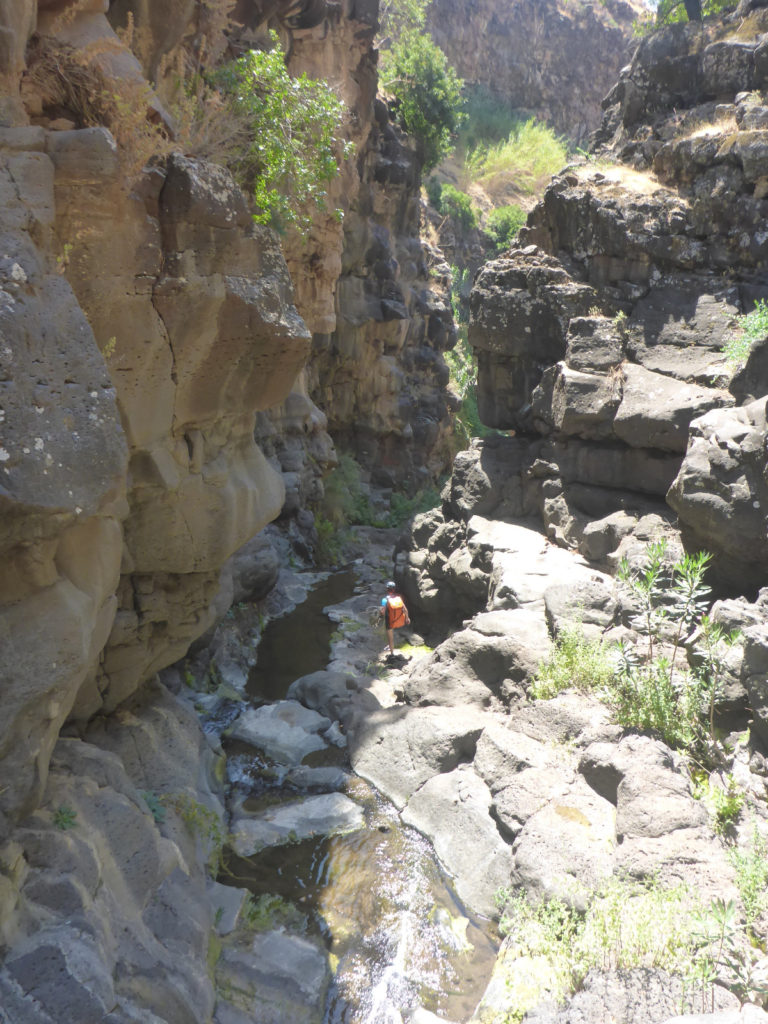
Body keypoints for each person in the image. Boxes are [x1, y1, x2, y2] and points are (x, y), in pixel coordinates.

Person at [380, 580, 410, 657]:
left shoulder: (384, 600)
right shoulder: (398, 598)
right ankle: (390, 646)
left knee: (390, 637)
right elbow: (405, 609)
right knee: (391, 636)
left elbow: (382, 612)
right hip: (398, 619)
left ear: (387, 589)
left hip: (389, 620)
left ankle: (392, 653)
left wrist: (380, 613)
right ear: (394, 589)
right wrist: (407, 618)